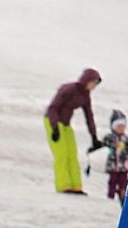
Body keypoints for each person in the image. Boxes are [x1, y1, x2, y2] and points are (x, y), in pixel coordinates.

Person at [46, 67, 102, 195]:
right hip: (53, 121)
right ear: (86, 80)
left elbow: (89, 116)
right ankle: (63, 185)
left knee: (72, 154)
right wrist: (54, 128)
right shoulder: (69, 89)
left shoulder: (85, 96)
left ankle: (76, 186)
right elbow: (52, 108)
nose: (94, 86)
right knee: (62, 155)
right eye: (93, 83)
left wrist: (93, 136)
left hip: (65, 125)